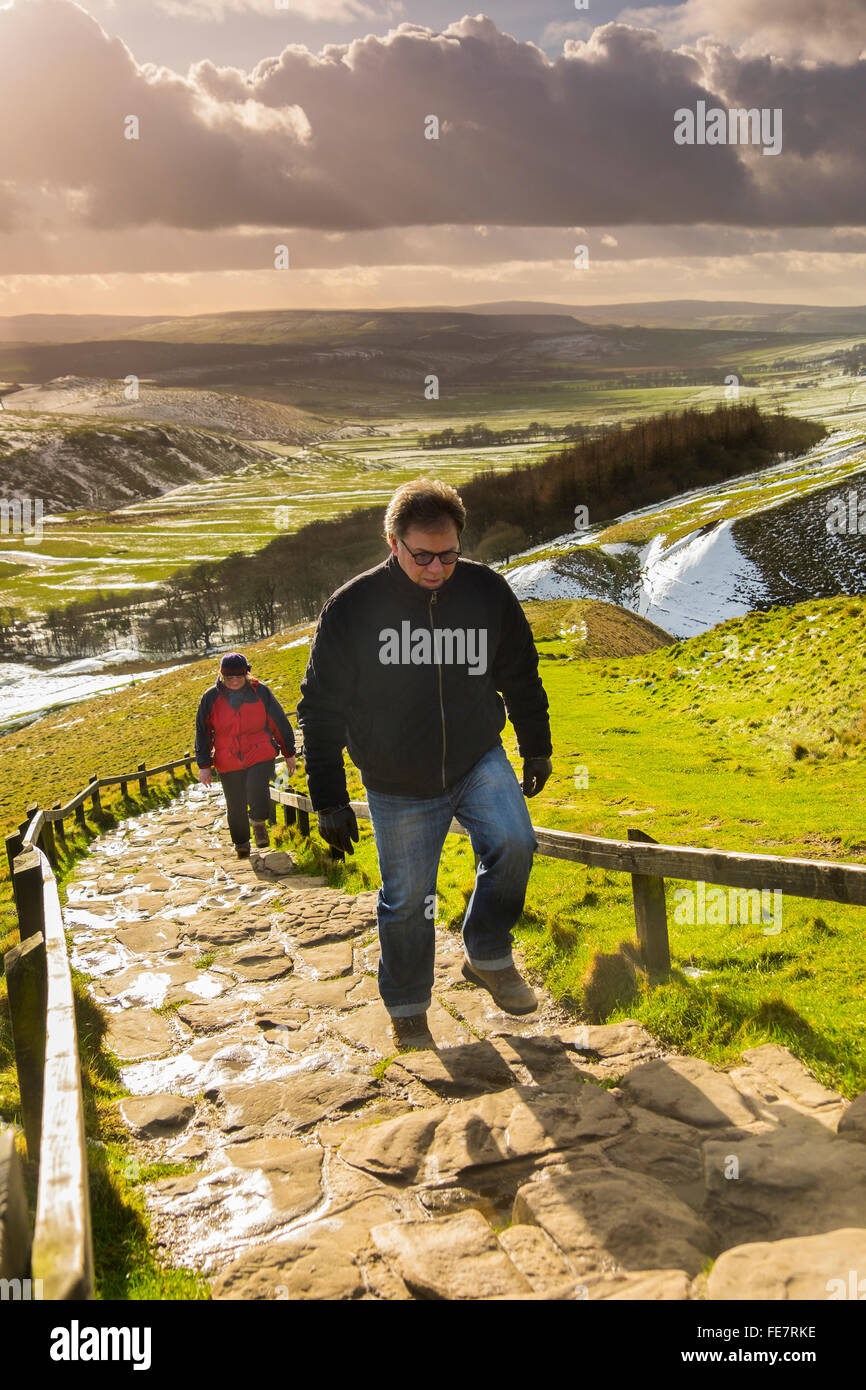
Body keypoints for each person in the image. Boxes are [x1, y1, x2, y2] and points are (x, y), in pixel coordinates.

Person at [297, 478, 553, 1051]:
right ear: (393, 543)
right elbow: (320, 708)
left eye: (450, 554)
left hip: (476, 756)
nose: (438, 568)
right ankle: (408, 1005)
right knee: (408, 899)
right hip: (397, 780)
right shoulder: (354, 608)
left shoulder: (486, 591)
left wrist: (536, 744)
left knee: (515, 841)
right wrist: (329, 799)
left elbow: (520, 671)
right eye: (423, 556)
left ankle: (487, 952)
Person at [195, 652, 297, 858]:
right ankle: (241, 843)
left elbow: (278, 722)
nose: (234, 682)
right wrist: (204, 765)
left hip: (260, 752)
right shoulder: (211, 698)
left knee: (256, 788)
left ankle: (259, 822)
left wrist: (289, 752)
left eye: (239, 677)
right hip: (227, 759)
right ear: (222, 676)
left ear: (247, 674)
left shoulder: (261, 693)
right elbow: (203, 733)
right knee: (235, 803)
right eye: (229, 678)